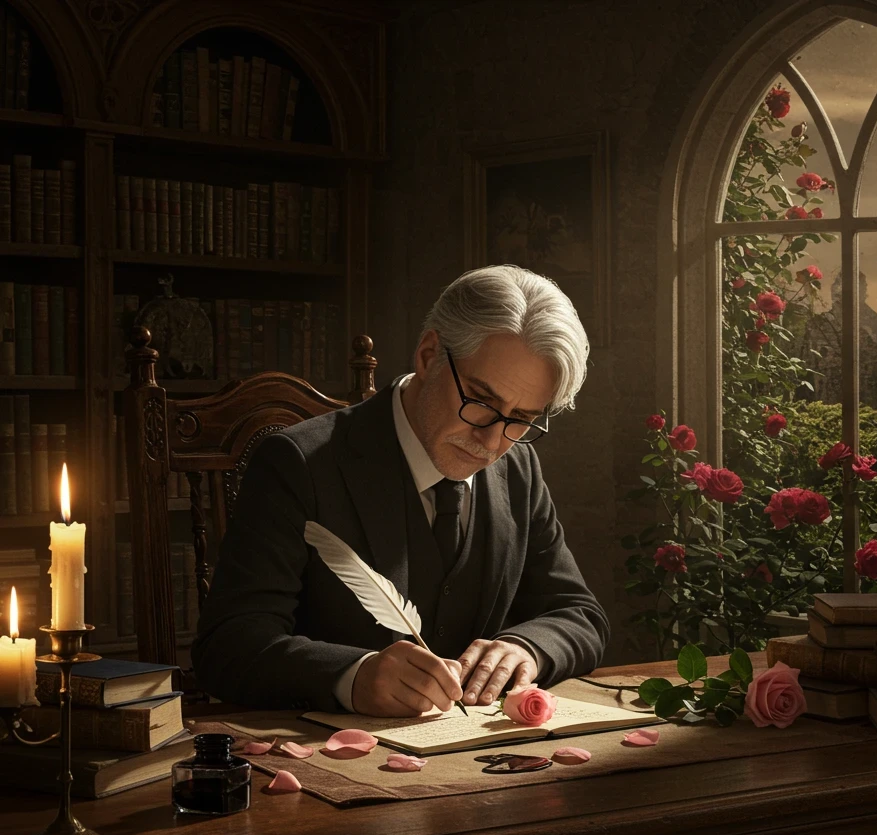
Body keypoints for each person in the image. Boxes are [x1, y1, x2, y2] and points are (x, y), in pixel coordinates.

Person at [193, 265, 609, 716]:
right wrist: (352, 676)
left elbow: (580, 615)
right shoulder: (297, 464)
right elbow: (228, 646)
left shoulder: (519, 466)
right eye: (481, 401)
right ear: (429, 355)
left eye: (521, 418)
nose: (493, 441)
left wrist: (528, 648)